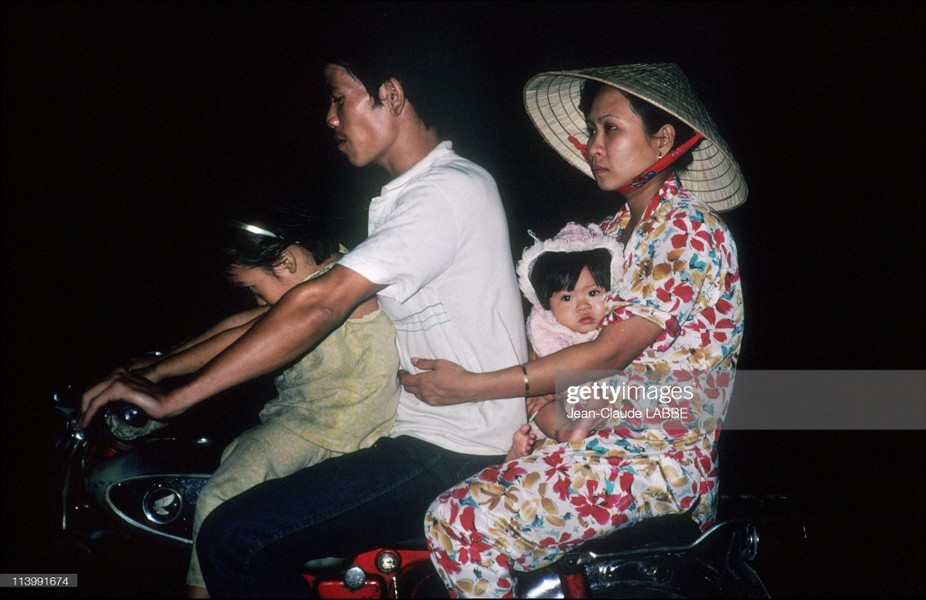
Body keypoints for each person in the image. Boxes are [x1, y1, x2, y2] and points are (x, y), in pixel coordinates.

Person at [79, 43, 528, 597]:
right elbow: (271, 315)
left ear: (390, 95)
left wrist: (174, 399)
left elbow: (319, 305)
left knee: (233, 538)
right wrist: (157, 371)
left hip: (455, 449)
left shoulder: (446, 191)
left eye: (340, 99)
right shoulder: (409, 197)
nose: (330, 118)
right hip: (422, 435)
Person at [401, 63, 746, 597]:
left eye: (610, 128)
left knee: (460, 520)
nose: (594, 145)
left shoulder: (688, 230)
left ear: (662, 140)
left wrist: (471, 385)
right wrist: (541, 415)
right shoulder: (605, 238)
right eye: (591, 130)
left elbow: (610, 354)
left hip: (656, 459)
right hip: (596, 441)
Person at [83, 207, 402, 598]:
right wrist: (156, 367)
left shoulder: (340, 288)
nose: (255, 299)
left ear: (286, 261)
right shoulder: (324, 272)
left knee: (220, 499)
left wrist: (164, 386)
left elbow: (247, 336)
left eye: (254, 287)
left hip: (331, 430)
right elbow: (238, 325)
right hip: (308, 423)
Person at [505, 221, 624, 461]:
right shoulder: (545, 330)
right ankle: (530, 448)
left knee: (609, 394)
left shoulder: (614, 327)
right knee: (538, 407)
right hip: (559, 413)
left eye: (593, 293)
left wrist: (555, 392)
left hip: (595, 405)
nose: (582, 305)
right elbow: (536, 376)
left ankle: (573, 431)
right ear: (547, 305)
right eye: (567, 297)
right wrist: (548, 394)